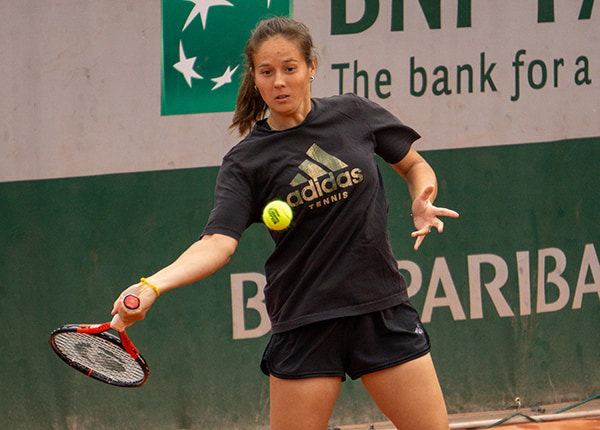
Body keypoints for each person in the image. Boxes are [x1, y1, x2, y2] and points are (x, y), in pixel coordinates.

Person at [113, 16, 458, 430]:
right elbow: (217, 243)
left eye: (289, 69)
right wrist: (152, 285)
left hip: (380, 309)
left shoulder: (355, 114)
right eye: (267, 72)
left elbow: (415, 164)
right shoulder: (245, 162)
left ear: (312, 66)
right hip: (306, 320)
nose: (279, 82)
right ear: (255, 78)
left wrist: (423, 198)